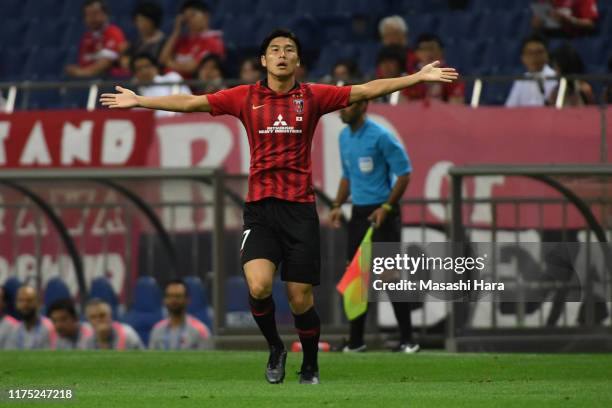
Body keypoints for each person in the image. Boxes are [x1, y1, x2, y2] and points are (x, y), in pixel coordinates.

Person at [100, 28, 458, 384]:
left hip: (300, 211)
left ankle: (311, 364)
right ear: (264, 60)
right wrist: (142, 101)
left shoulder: (313, 96)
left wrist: (417, 76)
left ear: (298, 61)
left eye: (289, 49)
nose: (282, 54)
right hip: (260, 210)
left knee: (300, 298)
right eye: (275, 49)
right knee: (258, 286)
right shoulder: (244, 97)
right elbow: (194, 102)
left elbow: (364, 90)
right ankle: (275, 347)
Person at [329, 100, 418, 353]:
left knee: (388, 276)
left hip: (384, 212)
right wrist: (337, 204)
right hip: (359, 213)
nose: (341, 109)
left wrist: (387, 207)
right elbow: (347, 176)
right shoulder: (344, 137)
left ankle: (408, 340)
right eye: (341, 105)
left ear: (363, 106)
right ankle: (356, 342)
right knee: (357, 275)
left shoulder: (381, 137)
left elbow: (405, 173)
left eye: (347, 105)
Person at [159, 0, 225, 78]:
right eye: (186, 18)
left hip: (193, 87)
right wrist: (176, 33)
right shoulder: (183, 40)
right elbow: (162, 60)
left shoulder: (214, 41)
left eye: (193, 15)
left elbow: (191, 68)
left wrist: (168, 62)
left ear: (206, 16)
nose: (189, 20)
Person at [65, 0, 127, 78]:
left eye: (95, 14)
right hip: (89, 81)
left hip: (111, 82)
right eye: (88, 14)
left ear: (105, 14)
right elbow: (84, 62)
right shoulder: (86, 37)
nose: (92, 18)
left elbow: (105, 63)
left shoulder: (113, 32)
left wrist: (81, 72)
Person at [149, 279, 212, 350]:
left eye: (178, 296)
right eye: (170, 296)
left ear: (187, 300)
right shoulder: (157, 330)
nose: (174, 300)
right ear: (164, 300)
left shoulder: (200, 330)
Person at [405, 34, 465, 105]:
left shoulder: (451, 75)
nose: (428, 53)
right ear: (417, 53)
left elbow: (456, 106)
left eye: (432, 48)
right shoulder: (409, 75)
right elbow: (402, 104)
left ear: (441, 51)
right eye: (424, 49)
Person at [132, 53, 191, 117]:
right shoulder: (137, 94)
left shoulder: (172, 78)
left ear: (155, 67)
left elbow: (188, 102)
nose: (144, 71)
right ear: (135, 73)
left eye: (147, 66)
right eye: (139, 69)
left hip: (179, 121)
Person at [505, 34, 557, 107]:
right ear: (523, 58)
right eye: (530, 53)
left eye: (539, 52)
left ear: (547, 55)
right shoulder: (521, 80)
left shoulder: (555, 78)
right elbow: (509, 108)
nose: (534, 57)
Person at [121, 1, 167, 70]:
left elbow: (160, 63)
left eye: (145, 21)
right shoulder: (136, 41)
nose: (141, 25)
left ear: (154, 21)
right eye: (138, 21)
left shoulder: (164, 42)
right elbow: (124, 60)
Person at [531, 0, 599, 37]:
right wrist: (537, 23)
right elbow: (536, 23)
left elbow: (591, 24)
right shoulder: (544, 1)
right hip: (550, 37)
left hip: (575, 38)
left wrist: (570, 20)